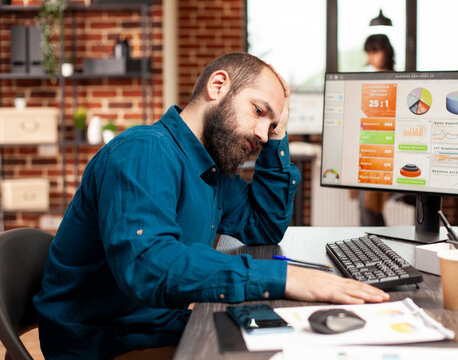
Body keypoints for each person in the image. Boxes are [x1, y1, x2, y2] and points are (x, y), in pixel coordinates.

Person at [34, 52, 389, 359]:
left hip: (158, 325)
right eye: (259, 111)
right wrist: (287, 277)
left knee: (300, 343)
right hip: (105, 345)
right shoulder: (144, 151)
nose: (263, 133)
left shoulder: (209, 169)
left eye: (273, 124)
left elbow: (264, 225)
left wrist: (279, 135)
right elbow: (148, 265)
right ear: (217, 86)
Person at [359, 34, 395, 226]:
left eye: (375, 52)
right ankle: (374, 243)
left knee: (368, 205)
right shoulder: (370, 79)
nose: (371, 58)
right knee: (365, 205)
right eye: (369, 53)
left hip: (387, 150)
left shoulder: (394, 80)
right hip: (371, 145)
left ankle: (376, 243)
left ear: (385, 52)